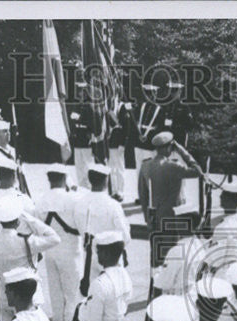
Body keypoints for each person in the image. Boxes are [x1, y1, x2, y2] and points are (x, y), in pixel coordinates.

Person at [35, 164, 85, 321]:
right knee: (72, 297)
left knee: (56, 297)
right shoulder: (74, 199)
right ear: (65, 179)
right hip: (71, 252)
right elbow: (82, 226)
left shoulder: (40, 200)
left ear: (49, 179)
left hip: (50, 252)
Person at [0, 195, 60, 321]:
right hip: (28, 297)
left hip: (6, 297)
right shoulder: (26, 241)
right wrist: (30, 219)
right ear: (18, 221)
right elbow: (54, 238)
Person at [138, 131, 203, 269]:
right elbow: (198, 171)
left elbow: (143, 196)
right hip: (172, 219)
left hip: (153, 218)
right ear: (169, 147)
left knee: (156, 260)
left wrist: (147, 218)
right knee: (171, 258)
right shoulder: (173, 167)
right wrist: (181, 150)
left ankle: (155, 287)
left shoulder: (145, 166)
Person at [77, 163, 132, 269]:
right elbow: (125, 237)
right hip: (111, 259)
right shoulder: (113, 205)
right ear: (106, 181)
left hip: (90, 258)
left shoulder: (80, 203)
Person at [133, 83, 166, 170]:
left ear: (156, 94)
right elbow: (135, 122)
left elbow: (160, 127)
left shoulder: (160, 109)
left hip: (150, 143)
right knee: (139, 168)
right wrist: (138, 135)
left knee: (150, 169)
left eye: (151, 94)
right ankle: (139, 184)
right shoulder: (141, 106)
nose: (149, 96)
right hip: (138, 141)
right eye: (148, 94)